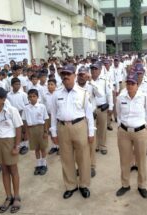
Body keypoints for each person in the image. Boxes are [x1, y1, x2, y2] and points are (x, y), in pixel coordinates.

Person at [50, 64, 95, 199]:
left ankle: (84, 185)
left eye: (68, 74)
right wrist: (53, 132)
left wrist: (91, 132)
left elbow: (89, 114)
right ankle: (71, 185)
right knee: (66, 158)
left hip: (79, 126)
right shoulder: (56, 94)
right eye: (63, 74)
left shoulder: (83, 93)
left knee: (83, 158)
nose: (65, 77)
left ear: (74, 76)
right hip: (62, 128)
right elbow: (53, 113)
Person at [115, 72, 147, 198]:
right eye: (128, 83)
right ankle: (125, 184)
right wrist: (120, 126)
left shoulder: (144, 97)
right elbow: (118, 113)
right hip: (124, 132)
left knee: (141, 160)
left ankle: (142, 185)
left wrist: (144, 125)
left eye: (133, 83)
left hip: (140, 132)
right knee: (124, 160)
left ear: (137, 85)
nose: (130, 86)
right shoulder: (121, 97)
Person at [22, 89, 49, 175]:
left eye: (34, 96)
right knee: (36, 149)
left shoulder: (42, 107)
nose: (32, 98)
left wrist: (45, 131)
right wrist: (27, 133)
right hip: (31, 129)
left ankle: (44, 164)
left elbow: (45, 119)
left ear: (37, 97)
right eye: (30, 96)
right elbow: (25, 121)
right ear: (28, 98)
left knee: (43, 148)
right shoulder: (26, 108)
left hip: (41, 128)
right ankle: (38, 164)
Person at [90, 62, 113, 156]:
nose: (94, 71)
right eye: (92, 69)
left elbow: (109, 94)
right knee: (92, 128)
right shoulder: (88, 81)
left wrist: (110, 106)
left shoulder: (104, 80)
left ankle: (102, 145)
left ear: (100, 70)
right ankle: (95, 146)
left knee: (102, 128)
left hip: (102, 108)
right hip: (91, 109)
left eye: (96, 69)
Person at [6, 78, 29, 155]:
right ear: (12, 85)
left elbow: (26, 105)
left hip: (22, 112)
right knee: (16, 129)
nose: (18, 86)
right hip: (13, 114)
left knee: (24, 129)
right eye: (16, 84)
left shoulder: (23, 94)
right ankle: (18, 145)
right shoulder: (8, 95)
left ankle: (25, 145)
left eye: (19, 84)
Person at [42, 79, 59, 155]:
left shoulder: (58, 94)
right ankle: (54, 146)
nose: (50, 86)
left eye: (52, 84)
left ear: (55, 86)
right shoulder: (45, 95)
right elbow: (42, 105)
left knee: (59, 131)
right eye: (48, 84)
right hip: (48, 115)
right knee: (51, 131)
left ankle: (60, 147)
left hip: (57, 116)